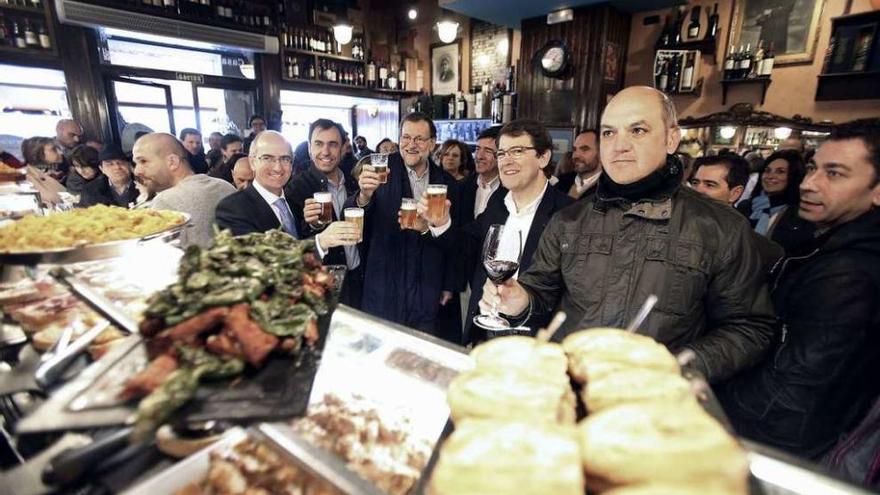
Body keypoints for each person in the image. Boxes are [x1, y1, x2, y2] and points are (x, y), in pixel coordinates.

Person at [479, 86, 775, 383]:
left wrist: (676, 368)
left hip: (653, 405)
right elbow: (540, 294)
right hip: (569, 392)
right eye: (608, 133)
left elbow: (749, 328)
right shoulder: (569, 220)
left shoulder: (719, 226)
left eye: (637, 130)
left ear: (671, 138)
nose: (619, 145)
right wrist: (520, 302)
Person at [719, 123, 880, 459]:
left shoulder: (850, 273)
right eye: (812, 168)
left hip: (780, 446)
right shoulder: (832, 245)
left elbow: (793, 394)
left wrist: (712, 405)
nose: (809, 184)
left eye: (834, 174)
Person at [427, 119, 574, 344]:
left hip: (534, 342)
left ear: (543, 157)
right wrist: (441, 223)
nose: (507, 161)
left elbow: (570, 293)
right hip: (485, 330)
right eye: (502, 153)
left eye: (517, 151)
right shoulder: (498, 202)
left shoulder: (569, 213)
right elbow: (468, 243)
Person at [346, 112, 460, 339]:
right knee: (380, 348)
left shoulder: (446, 182)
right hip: (385, 279)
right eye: (406, 137)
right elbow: (351, 215)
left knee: (421, 354)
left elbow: (455, 238)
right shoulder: (379, 170)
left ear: (432, 143)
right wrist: (364, 196)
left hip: (427, 283)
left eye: (419, 139)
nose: (411, 144)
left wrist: (449, 283)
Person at [288, 119, 364, 308]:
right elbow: (293, 243)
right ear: (309, 148)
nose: (325, 152)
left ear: (344, 148)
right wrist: (312, 224)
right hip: (324, 286)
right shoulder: (296, 188)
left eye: (333, 144)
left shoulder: (354, 182)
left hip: (360, 279)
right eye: (319, 144)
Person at [133, 132, 235, 248]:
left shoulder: (164, 201)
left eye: (143, 161)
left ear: (172, 162)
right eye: (136, 163)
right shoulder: (226, 186)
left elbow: (160, 258)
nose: (137, 171)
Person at [689, 154, 784, 273]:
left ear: (735, 193)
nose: (698, 190)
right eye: (695, 182)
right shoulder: (676, 226)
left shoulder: (756, 248)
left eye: (710, 185)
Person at [740, 150, 815, 255]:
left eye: (780, 172)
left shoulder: (802, 215)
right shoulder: (745, 206)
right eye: (767, 170)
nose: (770, 176)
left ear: (793, 176)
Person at [554, 130, 601, 199]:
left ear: (601, 153)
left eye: (585, 149)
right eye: (575, 149)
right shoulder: (562, 181)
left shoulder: (611, 189)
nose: (576, 155)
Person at [21, 137, 66, 206]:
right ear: (37, 154)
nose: (61, 152)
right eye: (54, 149)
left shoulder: (68, 169)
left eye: (59, 148)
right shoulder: (26, 178)